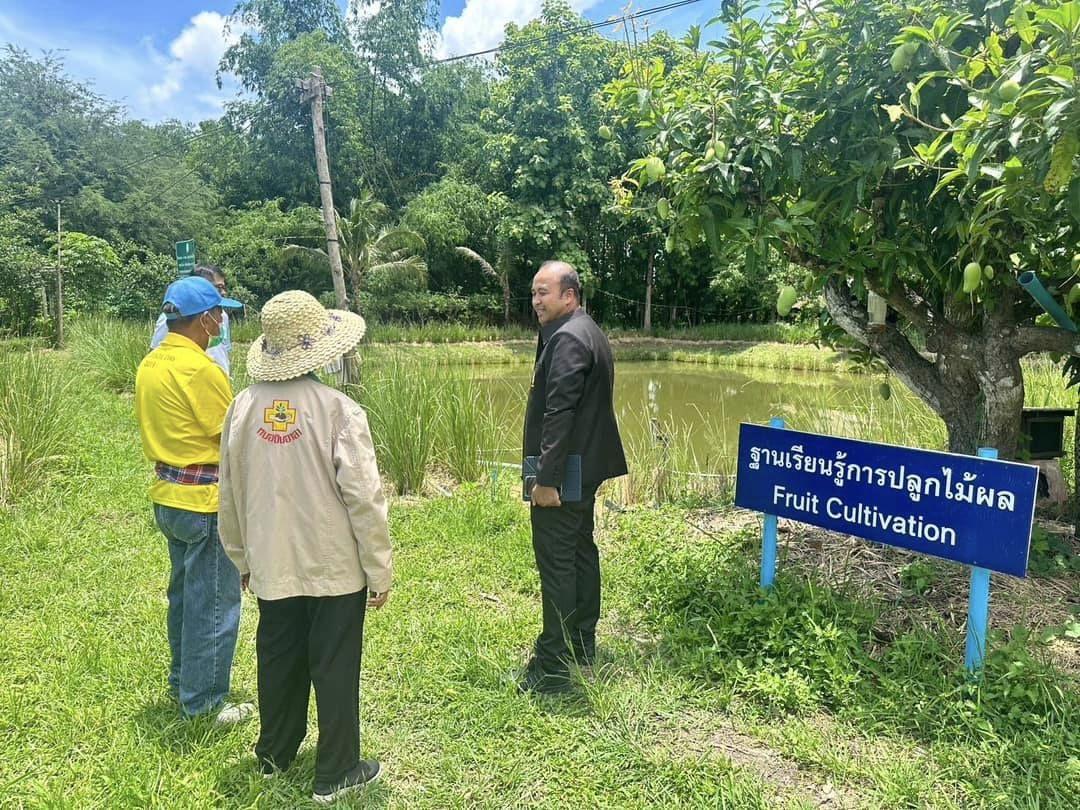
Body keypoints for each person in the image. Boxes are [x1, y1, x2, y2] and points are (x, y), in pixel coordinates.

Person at [217, 290, 393, 804]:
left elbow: (228, 489)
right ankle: (337, 770)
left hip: (271, 560)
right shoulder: (339, 410)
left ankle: (275, 753)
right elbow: (364, 498)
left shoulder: (243, 406)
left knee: (277, 654)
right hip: (333, 564)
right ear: (324, 349)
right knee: (334, 662)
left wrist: (240, 556)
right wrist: (378, 567)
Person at [133, 275, 252, 723]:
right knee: (216, 604)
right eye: (219, 312)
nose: (223, 320)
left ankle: (182, 681)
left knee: (185, 598)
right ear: (203, 320)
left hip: (168, 496)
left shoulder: (150, 364)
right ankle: (202, 704)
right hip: (204, 503)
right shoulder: (202, 371)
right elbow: (231, 437)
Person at [517, 260, 627, 694]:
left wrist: (545, 479)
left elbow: (558, 413)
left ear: (569, 295)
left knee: (558, 562)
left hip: (564, 471)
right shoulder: (585, 330)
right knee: (580, 551)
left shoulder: (567, 339)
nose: (536, 301)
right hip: (582, 465)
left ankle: (552, 667)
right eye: (533, 293)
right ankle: (582, 644)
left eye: (544, 292)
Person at [151, 266, 236, 375]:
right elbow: (155, 352)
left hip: (218, 379)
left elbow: (225, 350)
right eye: (219, 287)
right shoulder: (173, 317)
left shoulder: (223, 315)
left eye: (224, 287)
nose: (224, 292)